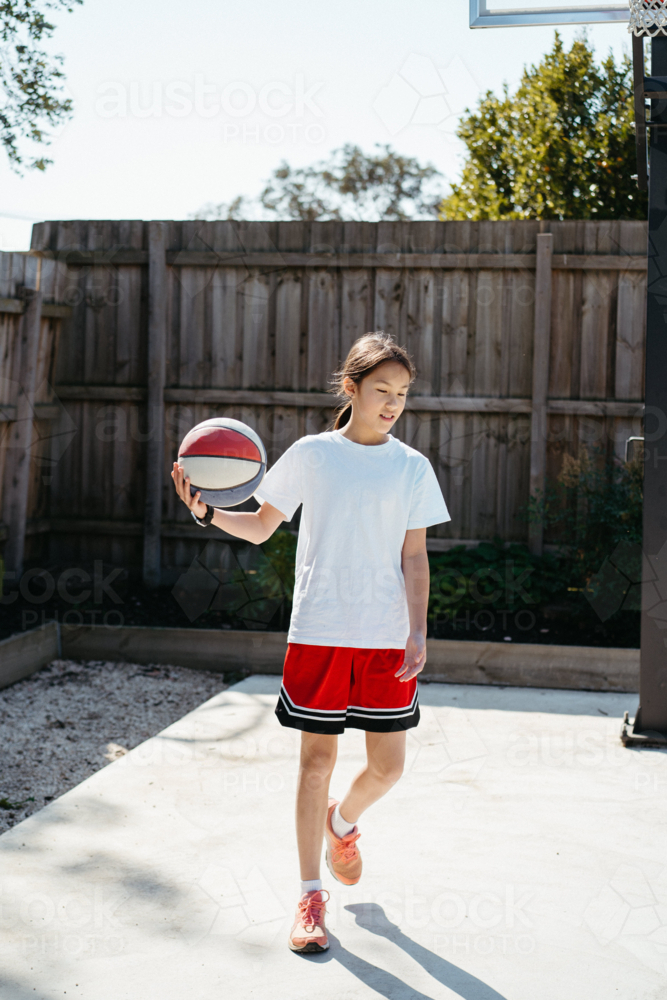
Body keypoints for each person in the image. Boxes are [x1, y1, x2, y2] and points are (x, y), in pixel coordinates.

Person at [171, 331, 450, 954]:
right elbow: (264, 526)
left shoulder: (411, 467)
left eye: (402, 394)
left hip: (384, 640)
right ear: (350, 389)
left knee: (388, 767)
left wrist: (418, 629)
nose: (393, 404)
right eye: (382, 391)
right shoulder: (313, 455)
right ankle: (308, 896)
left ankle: (342, 825)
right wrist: (207, 512)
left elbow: (415, 558)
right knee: (315, 764)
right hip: (320, 632)